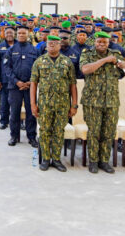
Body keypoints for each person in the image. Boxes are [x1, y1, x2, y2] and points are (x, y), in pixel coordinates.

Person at [80, 31, 125, 173]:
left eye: (104, 42)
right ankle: (93, 161)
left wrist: (124, 64)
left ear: (109, 43)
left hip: (111, 101)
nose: (101, 44)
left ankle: (104, 161)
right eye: (99, 42)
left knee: (109, 133)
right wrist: (105, 60)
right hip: (92, 101)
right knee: (94, 132)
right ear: (95, 42)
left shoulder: (116, 54)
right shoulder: (87, 54)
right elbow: (85, 69)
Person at [30, 35, 77, 172]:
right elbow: (33, 84)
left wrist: (74, 105)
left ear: (60, 46)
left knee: (58, 132)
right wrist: (33, 104)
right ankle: (45, 158)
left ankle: (56, 159)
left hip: (62, 105)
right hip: (44, 104)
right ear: (46, 45)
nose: (52, 46)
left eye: (55, 43)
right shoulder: (39, 62)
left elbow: (73, 85)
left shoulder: (67, 62)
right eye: (49, 43)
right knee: (44, 131)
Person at [4, 25, 39, 148]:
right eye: (19, 34)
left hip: (30, 87)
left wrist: (31, 81)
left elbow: (38, 68)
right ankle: (14, 136)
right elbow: (7, 68)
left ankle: (31, 137)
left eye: (23, 33)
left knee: (31, 112)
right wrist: (16, 82)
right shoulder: (11, 50)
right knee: (14, 112)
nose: (21, 35)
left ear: (28, 34)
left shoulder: (34, 50)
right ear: (16, 35)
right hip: (15, 87)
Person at [0, 25, 15, 129]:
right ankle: (4, 121)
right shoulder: (0, 47)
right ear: (4, 35)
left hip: (17, 80)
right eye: (7, 33)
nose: (9, 35)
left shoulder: (19, 46)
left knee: (16, 103)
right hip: (4, 79)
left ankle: (17, 121)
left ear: (14, 34)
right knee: (4, 102)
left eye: (11, 33)